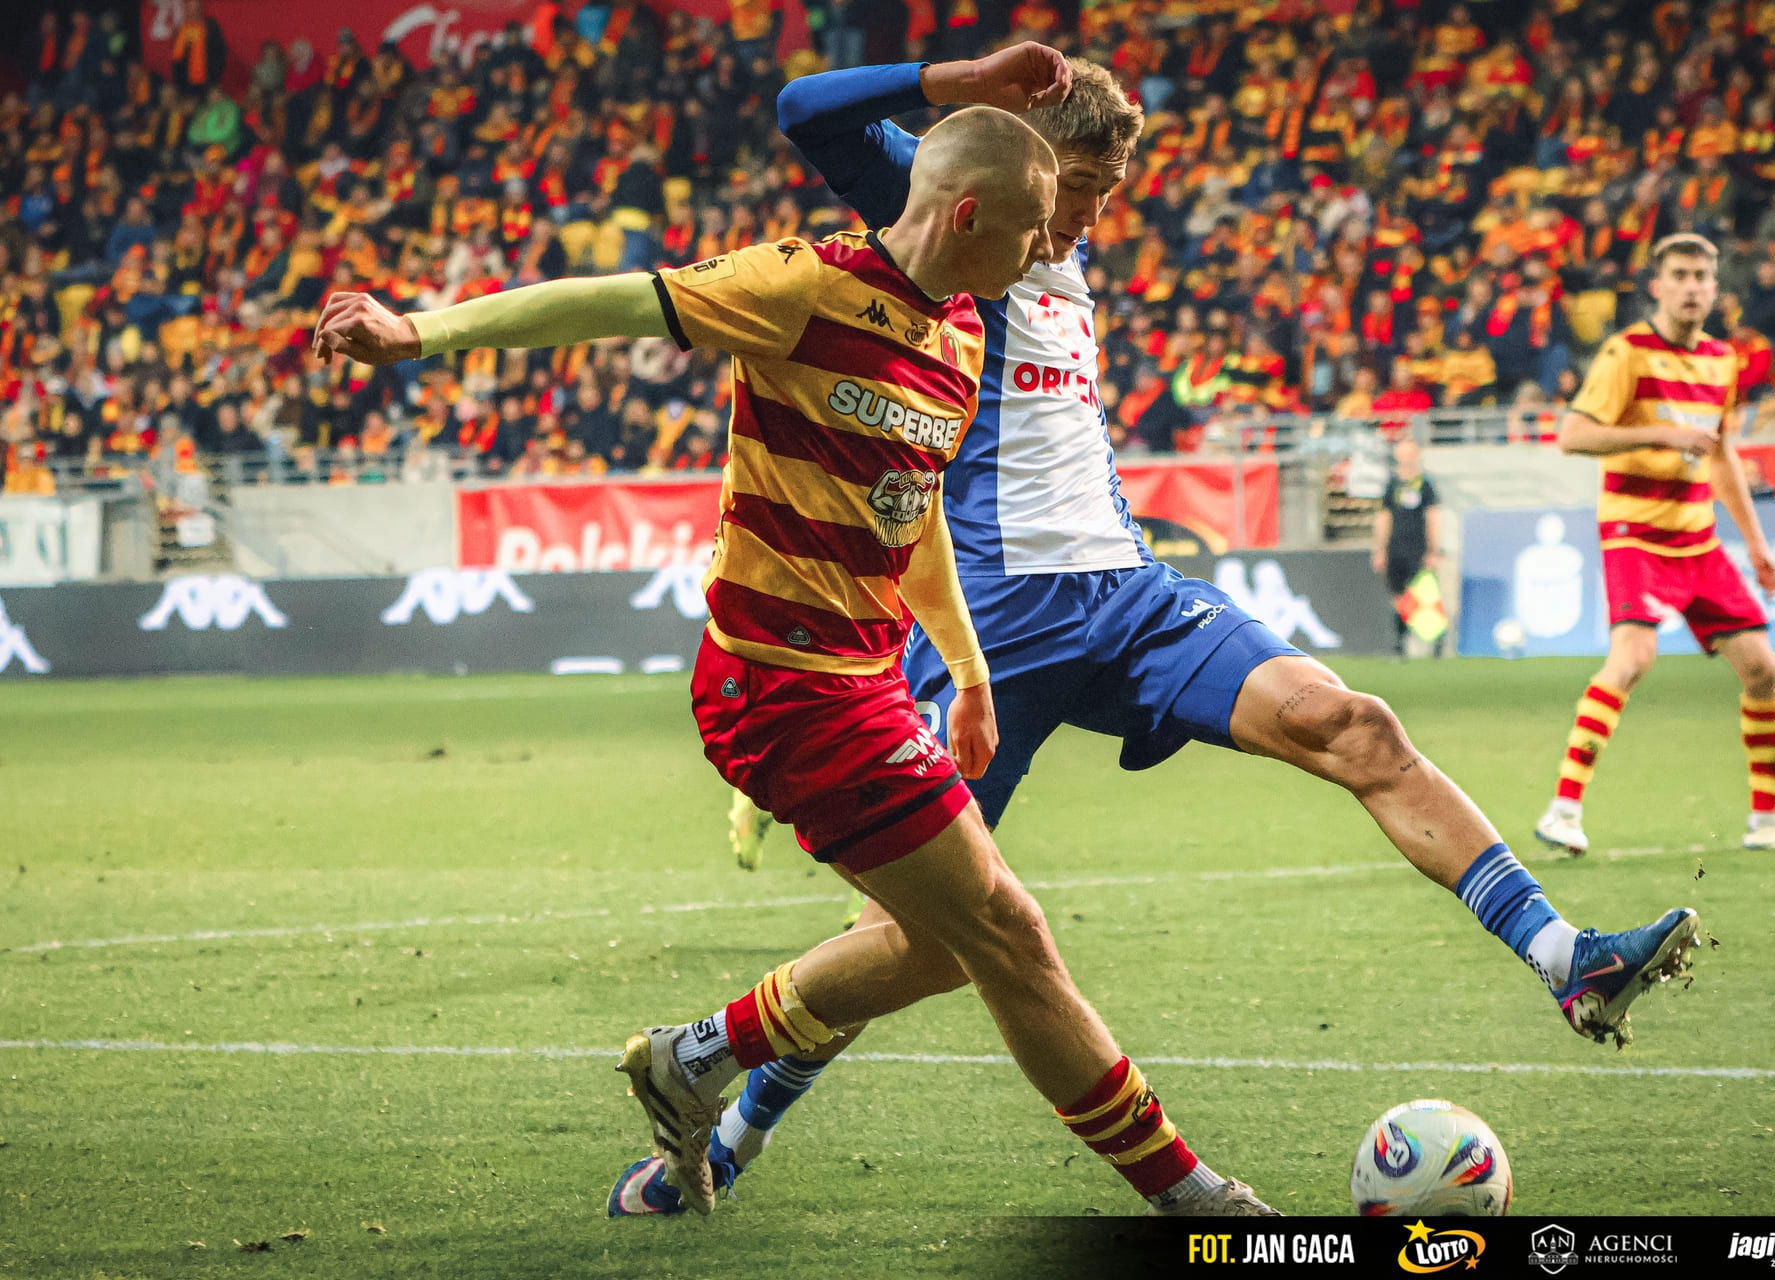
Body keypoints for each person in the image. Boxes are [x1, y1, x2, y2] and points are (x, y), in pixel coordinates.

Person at [630, 45, 1702, 1218]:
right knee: (912, 934)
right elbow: (804, 109)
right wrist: (967, 80)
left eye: (1106, 193)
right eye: (1083, 187)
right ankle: (727, 1132)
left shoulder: (1064, 252)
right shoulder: (960, 208)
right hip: (993, 621)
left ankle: (1568, 958)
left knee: (1356, 723)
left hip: (1127, 594)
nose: (1090, 217)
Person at [315, 103, 1278, 1221]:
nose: (1044, 253)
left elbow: (912, 514)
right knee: (1008, 934)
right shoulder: (799, 285)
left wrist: (967, 670)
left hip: (868, 682)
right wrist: (417, 333)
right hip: (779, 684)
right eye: (1031, 231)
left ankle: (694, 1058)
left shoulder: (962, 339)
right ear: (968, 215)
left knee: (939, 946)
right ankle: (1194, 1196)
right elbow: (609, 301)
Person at [1535, 233, 1775, 857]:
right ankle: (1563, 811)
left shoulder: (1722, 360)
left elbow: (1720, 456)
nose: (1692, 286)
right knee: (1633, 659)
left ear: (1715, 289)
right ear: (1657, 287)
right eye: (1681, 275)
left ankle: (1767, 822)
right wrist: (1661, 434)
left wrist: (1756, 543)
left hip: (1697, 539)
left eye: (1702, 276)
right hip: (1635, 534)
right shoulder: (1626, 353)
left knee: (1763, 667)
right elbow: (1573, 435)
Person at [1371, 437, 1442, 657]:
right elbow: (1384, 517)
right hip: (1395, 548)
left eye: (1409, 454)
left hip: (1418, 548)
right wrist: (1380, 549)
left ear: (1416, 456)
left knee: (1422, 594)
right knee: (1397, 596)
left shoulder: (1424, 484)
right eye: (1402, 454)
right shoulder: (1392, 484)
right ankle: (1400, 643)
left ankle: (1435, 641)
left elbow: (1432, 517)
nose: (1405, 459)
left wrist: (1433, 550)